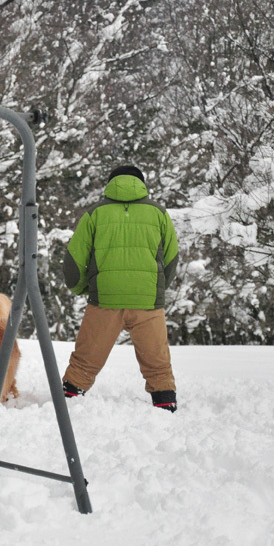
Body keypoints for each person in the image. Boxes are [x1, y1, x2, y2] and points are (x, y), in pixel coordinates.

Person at [61, 165, 179, 412]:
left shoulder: (94, 214)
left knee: (86, 359)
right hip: (147, 301)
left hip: (105, 299)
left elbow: (73, 262)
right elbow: (171, 259)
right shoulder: (159, 214)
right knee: (157, 360)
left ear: (110, 183)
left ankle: (70, 399)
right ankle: (165, 401)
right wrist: (155, 289)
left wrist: (86, 288)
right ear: (142, 183)